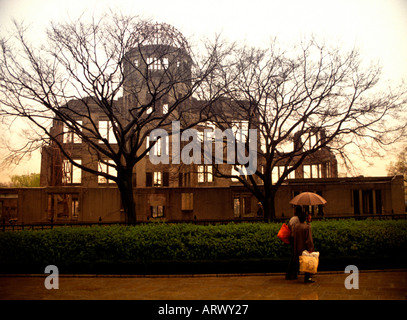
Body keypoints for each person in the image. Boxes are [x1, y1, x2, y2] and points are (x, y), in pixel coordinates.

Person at [286, 208, 315, 283]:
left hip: (297, 246)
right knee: (307, 261)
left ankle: (292, 274)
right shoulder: (306, 227)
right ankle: (307, 277)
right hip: (304, 247)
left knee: (296, 260)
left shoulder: (296, 227)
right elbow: (309, 239)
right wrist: (310, 247)